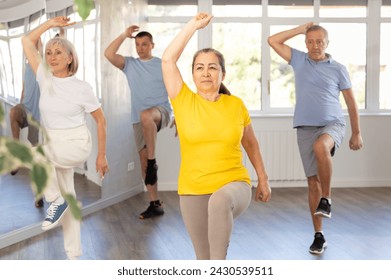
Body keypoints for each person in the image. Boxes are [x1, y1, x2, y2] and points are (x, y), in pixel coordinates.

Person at [161, 13, 271, 260]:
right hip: (193, 190)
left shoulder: (236, 105)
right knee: (204, 258)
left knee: (220, 203)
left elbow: (251, 143)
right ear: (192, 74)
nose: (206, 72)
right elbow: (168, 59)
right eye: (199, 67)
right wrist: (193, 26)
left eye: (213, 67)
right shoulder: (183, 100)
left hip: (234, 184)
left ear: (223, 74)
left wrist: (263, 179)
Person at [268, 23, 363, 254]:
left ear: (327, 43)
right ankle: (319, 235)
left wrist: (356, 132)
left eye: (319, 41)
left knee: (321, 147)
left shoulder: (338, 68)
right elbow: (273, 40)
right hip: (304, 127)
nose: (315, 45)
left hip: (332, 124)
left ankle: (327, 199)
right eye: (310, 41)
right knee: (312, 183)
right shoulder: (300, 60)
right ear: (305, 42)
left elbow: (351, 101)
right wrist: (300, 28)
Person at [22, 16, 109, 259]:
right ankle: (74, 255)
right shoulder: (43, 77)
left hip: (77, 144)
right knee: (67, 199)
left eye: (58, 52)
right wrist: (49, 25)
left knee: (37, 154)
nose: (51, 57)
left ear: (70, 58)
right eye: (48, 52)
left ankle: (54, 200)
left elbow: (101, 120)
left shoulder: (82, 87)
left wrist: (101, 155)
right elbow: (27, 41)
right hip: (54, 145)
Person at [104, 25, 172, 219]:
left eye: (144, 44)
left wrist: (180, 117)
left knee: (146, 116)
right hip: (139, 118)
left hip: (161, 112)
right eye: (137, 44)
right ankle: (155, 203)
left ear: (152, 45)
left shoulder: (162, 64)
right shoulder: (130, 64)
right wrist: (124, 35)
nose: (140, 48)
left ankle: (153, 161)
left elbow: (176, 89)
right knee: (142, 161)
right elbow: (108, 54)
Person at [9, 60, 43, 207]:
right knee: (13, 112)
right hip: (26, 108)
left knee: (37, 157)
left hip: (39, 114)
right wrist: (21, 101)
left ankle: (39, 194)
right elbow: (24, 89)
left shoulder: (44, 65)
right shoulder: (27, 66)